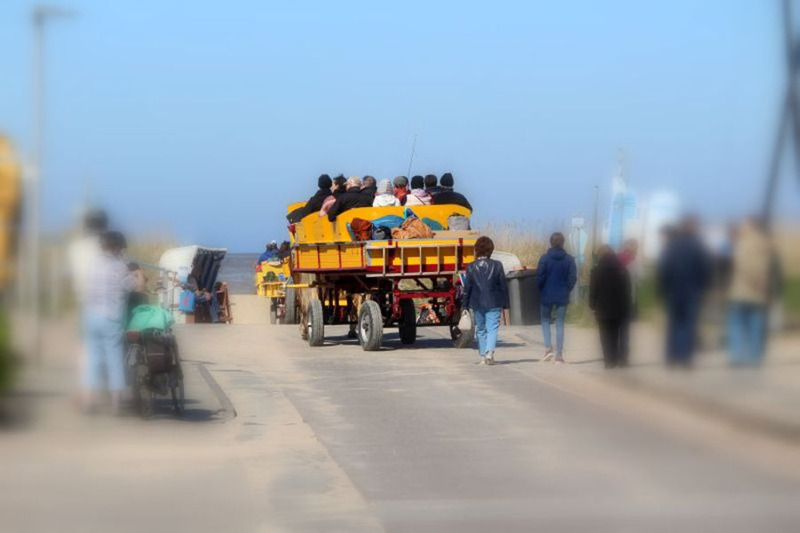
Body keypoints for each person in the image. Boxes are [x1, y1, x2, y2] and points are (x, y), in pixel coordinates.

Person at [83, 231, 136, 414]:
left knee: (93, 359)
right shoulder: (119, 267)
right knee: (114, 359)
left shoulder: (92, 265)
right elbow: (132, 286)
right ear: (117, 247)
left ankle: (90, 401)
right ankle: (116, 405)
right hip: (111, 317)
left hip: (91, 315)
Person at [657, 216, 713, 367]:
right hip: (692, 291)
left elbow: (664, 269)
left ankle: (671, 356)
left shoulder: (672, 246)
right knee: (688, 325)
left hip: (673, 291)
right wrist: (704, 287)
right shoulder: (697, 246)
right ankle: (685, 358)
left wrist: (662, 289)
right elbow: (705, 269)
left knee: (673, 324)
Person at [727, 218, 772, 366]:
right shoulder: (764, 244)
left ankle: (737, 356)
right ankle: (754, 357)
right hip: (758, 293)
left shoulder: (744, 243)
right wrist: (762, 285)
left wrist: (755, 282)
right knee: (755, 326)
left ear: (750, 226)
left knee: (737, 325)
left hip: (742, 292)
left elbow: (745, 265)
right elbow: (766, 268)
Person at [462, 236, 508, 365]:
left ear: (476, 250)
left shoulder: (471, 267)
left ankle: (483, 356)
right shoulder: (497, 265)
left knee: (481, 329)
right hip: (494, 302)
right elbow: (503, 286)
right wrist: (506, 304)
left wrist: (464, 305)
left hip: (477, 302)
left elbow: (467, 287)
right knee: (492, 328)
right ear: (490, 249)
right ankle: (489, 353)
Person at [537, 232, 578, 363]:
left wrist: (541, 289)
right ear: (563, 243)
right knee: (560, 323)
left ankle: (548, 349)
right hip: (562, 294)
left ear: (550, 242)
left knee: (545, 321)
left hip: (547, 294)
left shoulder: (544, 258)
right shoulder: (569, 259)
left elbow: (540, 277)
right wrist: (567, 289)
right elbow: (572, 278)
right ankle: (559, 355)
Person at [589, 246, 632, 368]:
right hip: (621, 307)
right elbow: (628, 290)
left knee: (606, 335)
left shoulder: (596, 271)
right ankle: (622, 360)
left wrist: (592, 305)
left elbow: (593, 290)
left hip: (602, 308)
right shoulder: (623, 270)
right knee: (620, 334)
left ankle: (609, 361)